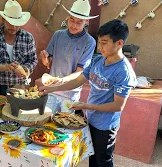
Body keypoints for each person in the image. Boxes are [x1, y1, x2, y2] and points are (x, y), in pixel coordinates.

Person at [39, 19, 137, 167]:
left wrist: (87, 106)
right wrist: (52, 88)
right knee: (92, 157)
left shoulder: (123, 71)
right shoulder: (98, 61)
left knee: (103, 161)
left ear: (119, 43)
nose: (100, 46)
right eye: (99, 42)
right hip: (90, 119)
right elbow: (78, 80)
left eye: (104, 43)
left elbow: (118, 105)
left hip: (105, 126)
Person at [37, 0, 97, 113]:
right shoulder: (58, 35)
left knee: (65, 126)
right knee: (46, 122)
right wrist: (44, 58)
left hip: (70, 93)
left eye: (79, 22)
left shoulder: (89, 42)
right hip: (51, 90)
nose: (74, 25)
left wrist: (61, 81)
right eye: (71, 20)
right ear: (68, 17)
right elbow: (48, 63)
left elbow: (80, 71)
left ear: (86, 22)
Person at [0, 0, 38, 95]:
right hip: (1, 87)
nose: (13, 27)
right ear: (3, 19)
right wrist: (6, 67)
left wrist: (25, 69)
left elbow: (33, 60)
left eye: (16, 24)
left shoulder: (28, 38)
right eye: (10, 23)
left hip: (22, 86)